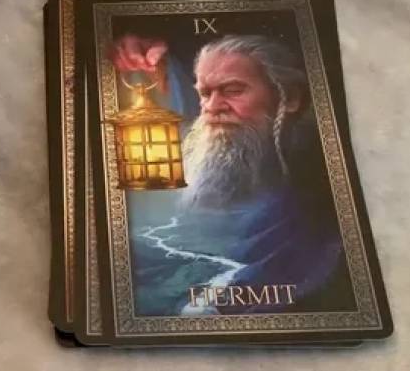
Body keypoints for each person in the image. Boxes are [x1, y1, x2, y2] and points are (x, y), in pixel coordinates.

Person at [112, 34, 355, 315]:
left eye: (233, 90)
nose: (212, 107)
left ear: (290, 98)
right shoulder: (207, 169)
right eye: (205, 94)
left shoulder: (319, 189)